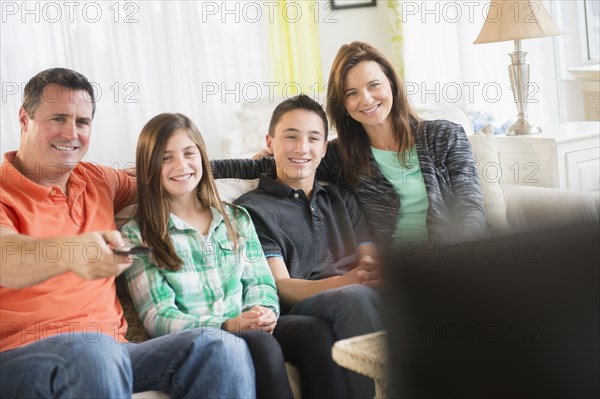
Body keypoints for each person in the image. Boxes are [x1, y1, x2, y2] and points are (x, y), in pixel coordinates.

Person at [0, 68, 255, 398]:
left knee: (220, 347)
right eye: (58, 118)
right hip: (20, 358)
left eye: (82, 122)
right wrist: (73, 253)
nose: (71, 133)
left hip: (112, 352)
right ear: (24, 118)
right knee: (92, 353)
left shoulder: (98, 180)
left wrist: (260, 163)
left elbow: (168, 172)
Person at [213, 41, 486, 247]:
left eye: (373, 85)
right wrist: (193, 166)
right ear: (342, 104)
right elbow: (268, 167)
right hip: (395, 276)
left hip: (454, 261)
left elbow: (470, 210)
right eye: (352, 93)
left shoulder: (444, 135)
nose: (366, 100)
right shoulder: (340, 154)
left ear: (391, 83)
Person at [120, 112, 294, 399]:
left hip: (249, 327)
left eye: (189, 153)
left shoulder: (236, 219)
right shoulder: (137, 236)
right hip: (197, 341)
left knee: (305, 333)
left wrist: (262, 313)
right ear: (149, 167)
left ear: (202, 157)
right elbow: (158, 316)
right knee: (258, 345)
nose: (181, 165)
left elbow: (261, 283)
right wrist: (227, 326)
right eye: (166, 158)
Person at [234, 94, 384, 399]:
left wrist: (369, 272)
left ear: (324, 148)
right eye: (291, 137)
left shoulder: (342, 198)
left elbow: (368, 260)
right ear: (270, 141)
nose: (302, 148)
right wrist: (348, 281)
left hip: (358, 295)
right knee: (355, 296)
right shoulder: (252, 209)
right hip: (301, 307)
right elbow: (282, 284)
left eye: (313, 138)